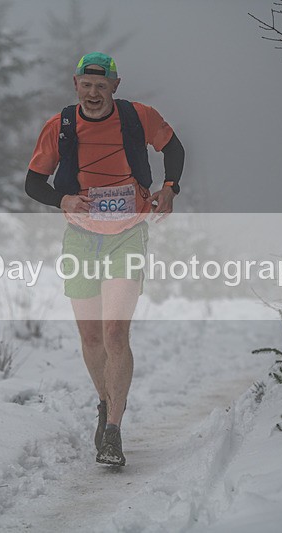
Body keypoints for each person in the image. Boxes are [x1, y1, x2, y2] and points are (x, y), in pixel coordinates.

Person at [25, 52, 185, 466]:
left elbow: (175, 148)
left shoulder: (138, 117)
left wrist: (169, 188)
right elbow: (33, 183)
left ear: (115, 86)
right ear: (75, 84)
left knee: (115, 334)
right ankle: (104, 402)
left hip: (127, 235)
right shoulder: (59, 127)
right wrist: (63, 198)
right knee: (92, 338)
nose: (93, 93)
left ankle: (113, 430)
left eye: (102, 86)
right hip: (81, 239)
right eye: (86, 85)